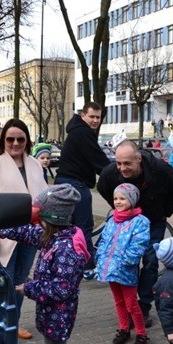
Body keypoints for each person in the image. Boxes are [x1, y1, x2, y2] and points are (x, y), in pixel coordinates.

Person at [0, 184, 88, 344]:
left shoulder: (66, 248)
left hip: (59, 315)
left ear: (52, 217)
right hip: (50, 314)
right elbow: (27, 232)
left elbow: (61, 289)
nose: (36, 223)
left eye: (40, 217)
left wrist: (27, 287)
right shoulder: (52, 235)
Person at [97, 140, 173, 327]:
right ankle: (129, 305)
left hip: (153, 220)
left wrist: (165, 211)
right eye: (119, 163)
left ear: (139, 159)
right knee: (129, 260)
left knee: (151, 260)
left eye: (127, 163)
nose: (122, 168)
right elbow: (103, 189)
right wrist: (118, 208)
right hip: (127, 223)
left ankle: (143, 305)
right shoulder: (110, 174)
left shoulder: (158, 169)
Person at [0, 118, 48, 340]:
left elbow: (43, 197)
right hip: (4, 235)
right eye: (10, 139)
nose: (15, 143)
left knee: (20, 281)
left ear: (27, 140)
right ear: (3, 139)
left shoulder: (34, 164)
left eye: (20, 139)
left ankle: (12, 323)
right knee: (3, 282)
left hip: (31, 233)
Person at [54, 102, 111, 280]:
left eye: (98, 117)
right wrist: (116, 173)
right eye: (92, 116)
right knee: (83, 227)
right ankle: (88, 267)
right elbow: (98, 160)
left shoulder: (75, 131)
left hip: (62, 183)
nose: (95, 120)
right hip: (75, 186)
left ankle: (65, 263)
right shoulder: (83, 132)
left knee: (66, 228)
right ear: (83, 115)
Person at [96, 183, 150, 344]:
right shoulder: (112, 219)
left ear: (132, 200)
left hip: (126, 270)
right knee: (119, 302)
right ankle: (124, 329)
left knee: (132, 303)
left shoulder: (140, 222)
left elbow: (139, 245)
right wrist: (100, 258)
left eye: (122, 198)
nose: (118, 202)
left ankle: (141, 333)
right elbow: (104, 241)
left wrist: (126, 261)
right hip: (110, 268)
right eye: (115, 198)